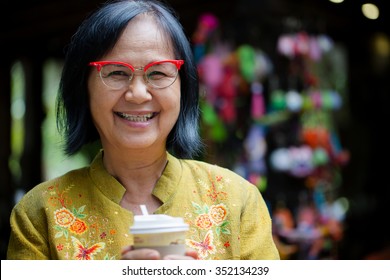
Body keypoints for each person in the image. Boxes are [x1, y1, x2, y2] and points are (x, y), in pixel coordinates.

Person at [7, 0, 280, 260]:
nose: (138, 94)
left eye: (158, 73)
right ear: (83, 88)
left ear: (184, 88)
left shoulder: (237, 201)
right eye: (116, 73)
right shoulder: (40, 214)